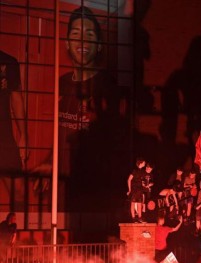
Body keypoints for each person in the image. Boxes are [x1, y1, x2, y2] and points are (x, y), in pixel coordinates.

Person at [55, 6, 125, 210]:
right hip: (63, 186)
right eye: (76, 34)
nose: (83, 40)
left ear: (99, 45)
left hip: (92, 188)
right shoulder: (62, 83)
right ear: (67, 43)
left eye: (89, 34)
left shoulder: (107, 87)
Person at [0, 50, 28, 201]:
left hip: (3, 137)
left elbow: (17, 98)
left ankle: (14, 224)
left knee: (18, 190)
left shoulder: (8, 61)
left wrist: (23, 136)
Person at [127, 157, 146, 222]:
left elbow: (142, 181)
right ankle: (133, 217)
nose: (145, 163)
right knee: (133, 203)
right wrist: (129, 190)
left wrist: (145, 186)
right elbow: (129, 180)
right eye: (144, 162)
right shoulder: (134, 170)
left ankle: (139, 217)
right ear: (140, 163)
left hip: (140, 189)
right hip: (134, 189)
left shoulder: (143, 171)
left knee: (139, 203)